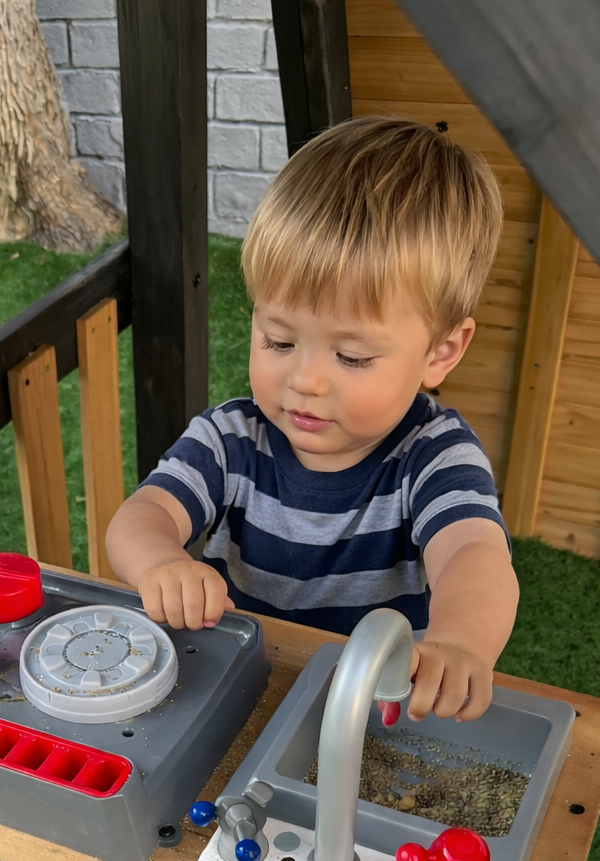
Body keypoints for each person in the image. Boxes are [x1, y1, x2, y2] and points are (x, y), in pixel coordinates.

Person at [106, 117, 518, 723]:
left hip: (368, 710)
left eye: (352, 356)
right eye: (278, 340)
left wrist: (459, 642)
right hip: (240, 689)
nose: (306, 381)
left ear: (441, 352)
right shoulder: (231, 438)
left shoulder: (435, 456)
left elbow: (473, 555)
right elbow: (139, 517)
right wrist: (161, 561)